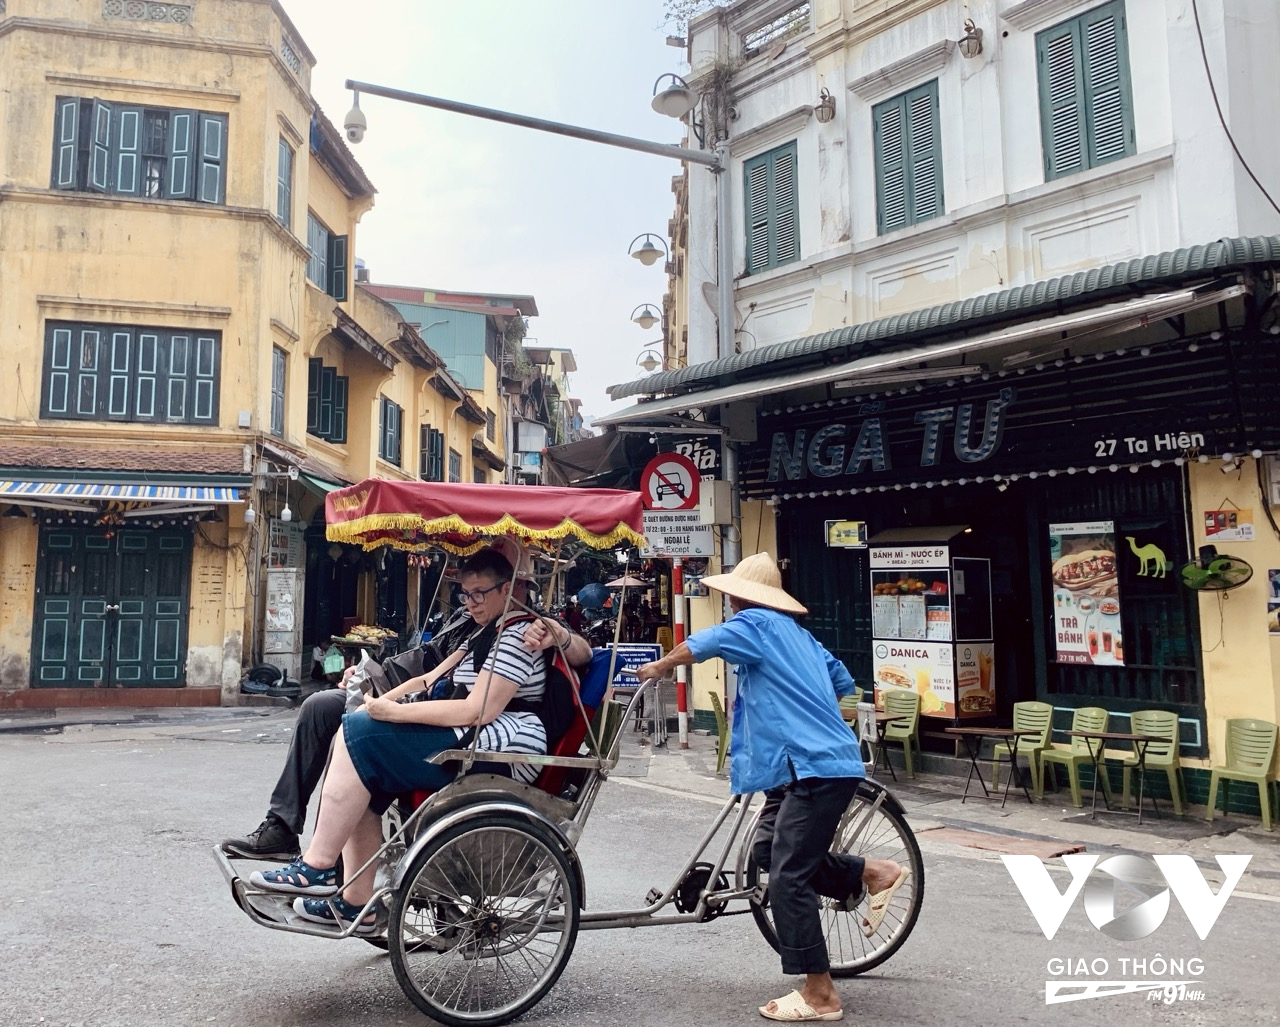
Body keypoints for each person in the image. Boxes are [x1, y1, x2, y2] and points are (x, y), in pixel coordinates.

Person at [635, 553, 909, 1023]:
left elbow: (705, 642)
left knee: (788, 878)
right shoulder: (801, 637)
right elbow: (841, 681)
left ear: (739, 598)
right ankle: (870, 872)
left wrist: (660, 667)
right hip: (794, 766)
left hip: (814, 768)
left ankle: (821, 995)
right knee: (765, 851)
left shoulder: (755, 625)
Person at [249, 547, 575, 933]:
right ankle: (357, 903)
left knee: (359, 736)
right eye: (465, 594)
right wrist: (377, 702)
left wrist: (393, 714)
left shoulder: (522, 633)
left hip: (500, 746)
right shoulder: (479, 629)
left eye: (479, 594)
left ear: (507, 589)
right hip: (469, 732)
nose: (471, 602)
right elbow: (427, 677)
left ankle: (318, 866)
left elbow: (478, 710)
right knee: (356, 743)